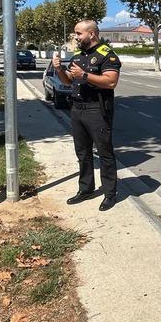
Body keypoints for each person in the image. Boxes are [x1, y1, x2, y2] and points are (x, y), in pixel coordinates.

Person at [52, 20, 122, 211]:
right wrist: (58, 69)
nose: (76, 36)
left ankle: (110, 194)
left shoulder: (106, 55)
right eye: (75, 33)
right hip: (77, 109)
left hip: (97, 110)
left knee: (105, 153)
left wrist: (84, 75)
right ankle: (86, 189)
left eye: (79, 33)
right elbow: (67, 82)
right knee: (82, 153)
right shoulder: (78, 55)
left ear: (92, 34)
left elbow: (110, 82)